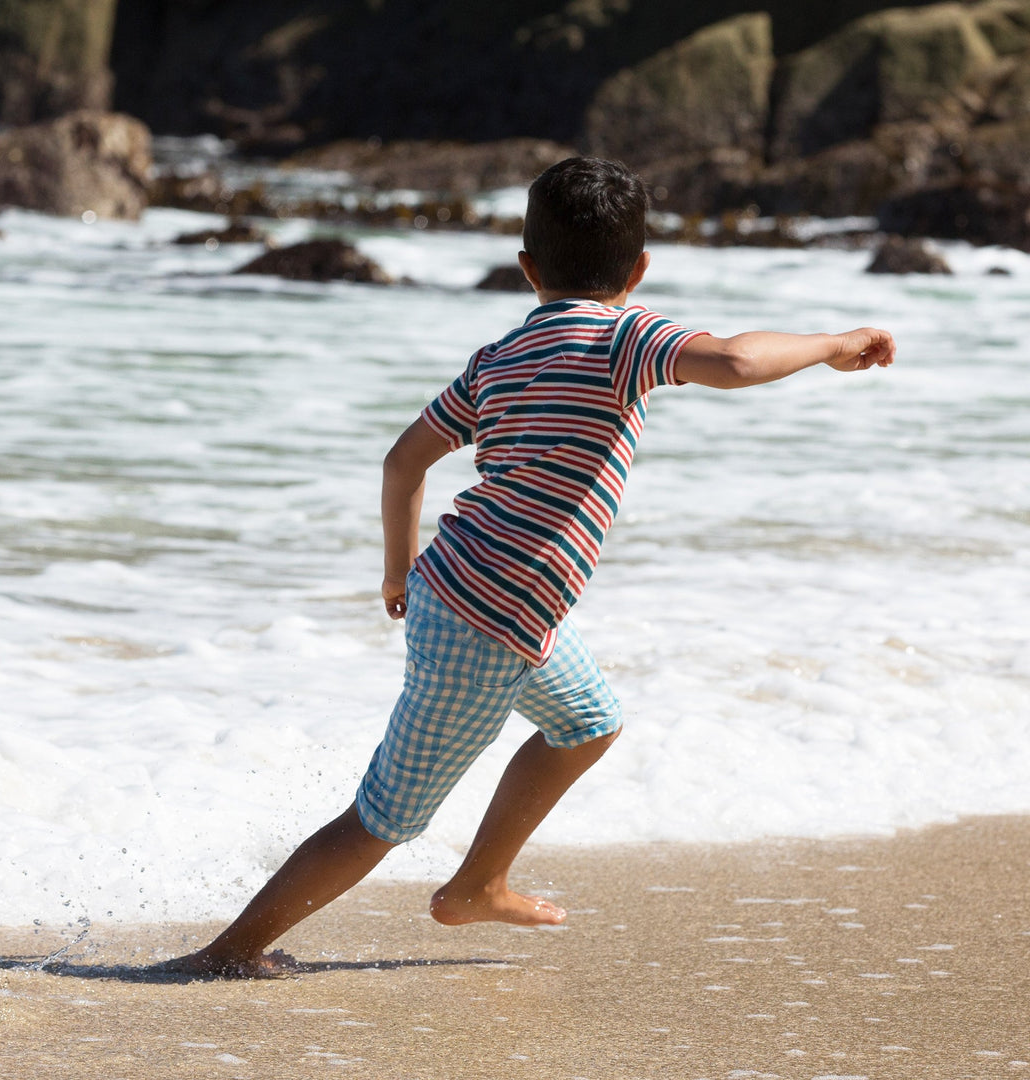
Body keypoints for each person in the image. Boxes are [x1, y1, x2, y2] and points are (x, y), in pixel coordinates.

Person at [162, 157, 895, 977]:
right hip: (489, 621)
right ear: (641, 269)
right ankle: (226, 953)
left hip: (474, 591)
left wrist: (399, 571)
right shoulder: (627, 336)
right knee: (382, 817)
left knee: (589, 721)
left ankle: (478, 884)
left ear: (527, 269)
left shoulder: (497, 358)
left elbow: (402, 463)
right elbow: (731, 362)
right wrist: (833, 342)